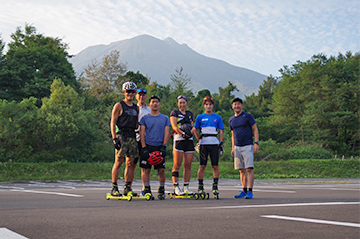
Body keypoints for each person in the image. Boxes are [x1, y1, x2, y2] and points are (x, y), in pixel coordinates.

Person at [110, 81, 139, 196]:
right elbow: (113, 122)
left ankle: (127, 187)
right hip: (121, 135)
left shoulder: (136, 107)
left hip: (132, 135)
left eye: (132, 92)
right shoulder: (119, 105)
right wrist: (114, 138)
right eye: (128, 92)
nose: (130, 94)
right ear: (124, 92)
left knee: (130, 162)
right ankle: (114, 187)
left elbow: (136, 123)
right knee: (119, 161)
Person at [139, 95, 171, 199]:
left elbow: (167, 132)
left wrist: (164, 146)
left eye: (157, 102)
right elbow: (142, 133)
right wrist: (143, 148)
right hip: (148, 146)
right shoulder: (145, 118)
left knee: (161, 170)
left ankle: (161, 189)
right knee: (146, 170)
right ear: (149, 105)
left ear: (160, 104)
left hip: (159, 146)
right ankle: (147, 190)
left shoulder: (165, 118)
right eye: (153, 102)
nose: (155, 104)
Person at [194, 96, 224, 197]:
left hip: (214, 142)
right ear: (204, 105)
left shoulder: (217, 117)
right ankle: (200, 186)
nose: (208, 106)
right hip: (204, 143)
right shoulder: (200, 117)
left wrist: (220, 143)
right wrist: (199, 139)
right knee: (202, 165)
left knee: (215, 165)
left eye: (210, 104)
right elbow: (195, 130)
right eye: (206, 104)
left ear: (213, 105)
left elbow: (221, 131)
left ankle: (215, 187)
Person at [229, 97, 259, 199]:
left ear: (241, 105)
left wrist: (256, 143)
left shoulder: (247, 116)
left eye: (238, 104)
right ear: (232, 106)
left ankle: (250, 191)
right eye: (235, 104)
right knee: (241, 170)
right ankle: (244, 190)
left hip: (247, 145)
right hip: (237, 146)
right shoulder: (231, 119)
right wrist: (233, 147)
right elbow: (233, 134)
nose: (237, 106)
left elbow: (255, 129)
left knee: (249, 168)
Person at [170, 95, 195, 196]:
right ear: (177, 104)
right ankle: (176, 187)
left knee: (188, 165)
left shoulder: (189, 113)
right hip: (179, 139)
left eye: (184, 102)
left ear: (186, 103)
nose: (182, 104)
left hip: (189, 140)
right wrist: (182, 133)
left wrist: (191, 133)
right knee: (177, 165)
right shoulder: (175, 113)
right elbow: (174, 126)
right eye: (180, 102)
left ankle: (186, 187)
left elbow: (192, 126)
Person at [135, 88, 151, 196]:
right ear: (137, 96)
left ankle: (144, 188)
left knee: (145, 165)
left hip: (145, 139)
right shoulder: (134, 108)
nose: (141, 97)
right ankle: (128, 187)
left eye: (143, 95)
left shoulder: (149, 110)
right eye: (139, 95)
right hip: (134, 137)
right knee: (130, 164)